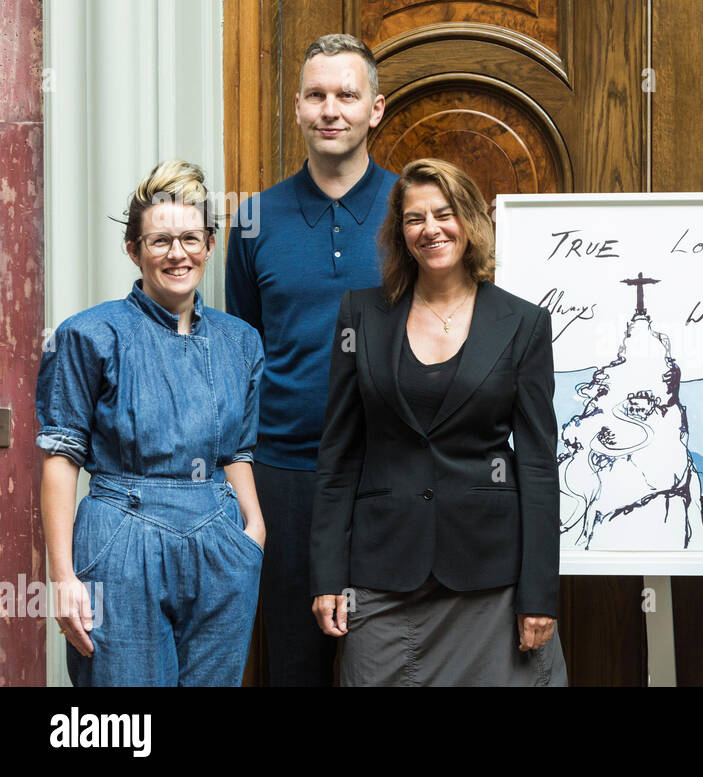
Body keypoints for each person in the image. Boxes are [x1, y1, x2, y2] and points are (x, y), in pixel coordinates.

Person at [310, 158, 566, 686]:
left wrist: (540, 591)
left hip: (490, 577)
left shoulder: (524, 323)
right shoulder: (360, 315)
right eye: (414, 219)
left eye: (444, 214)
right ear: (400, 233)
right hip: (382, 571)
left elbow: (539, 465)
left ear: (469, 221)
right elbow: (338, 454)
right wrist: (328, 576)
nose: (430, 229)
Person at [37, 159, 265, 686]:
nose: (177, 253)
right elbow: (60, 456)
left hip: (219, 539)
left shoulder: (241, 341)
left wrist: (252, 533)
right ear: (133, 250)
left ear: (210, 245)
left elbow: (237, 453)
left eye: (190, 238)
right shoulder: (88, 335)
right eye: (160, 241)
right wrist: (63, 576)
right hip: (121, 536)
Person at [225, 33, 398, 685]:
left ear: (374, 109)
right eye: (317, 95)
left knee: (387, 662)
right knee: (293, 662)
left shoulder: (413, 212)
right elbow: (241, 351)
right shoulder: (253, 221)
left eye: (347, 95)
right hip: (283, 472)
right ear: (297, 107)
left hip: (391, 473)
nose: (331, 109)